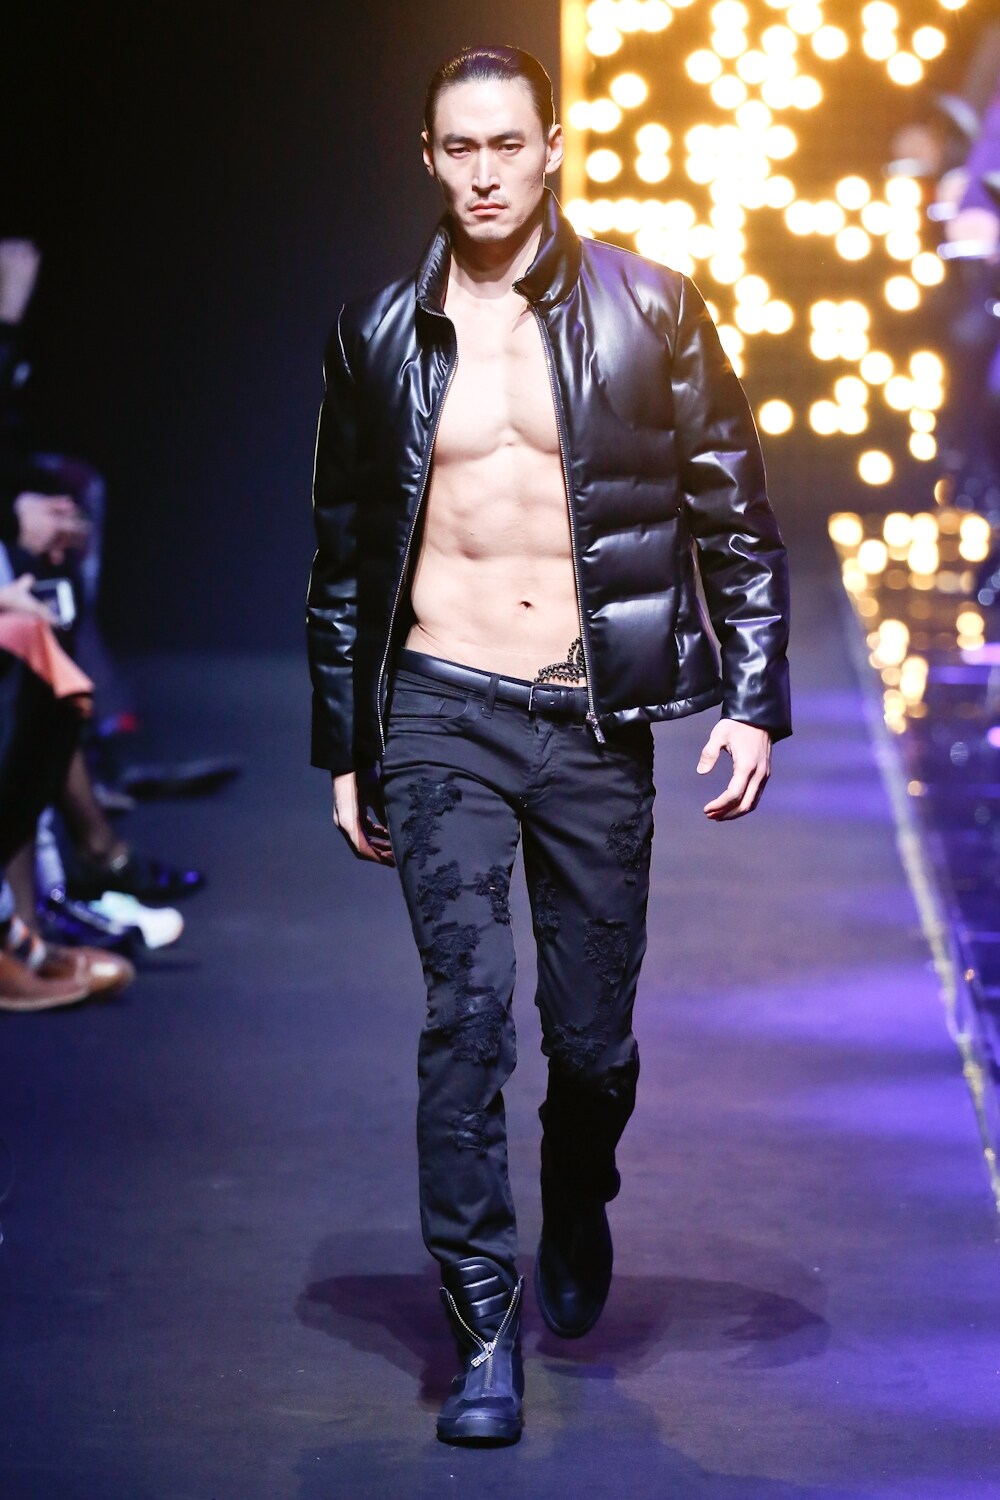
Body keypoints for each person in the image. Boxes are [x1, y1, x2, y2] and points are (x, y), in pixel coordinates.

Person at [306, 45, 791, 1446]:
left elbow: (736, 515)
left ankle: (578, 1186)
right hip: (440, 707)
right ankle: (481, 1326)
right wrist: (347, 741)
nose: (485, 173)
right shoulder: (376, 333)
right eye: (459, 148)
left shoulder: (653, 308)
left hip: (590, 719)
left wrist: (752, 696)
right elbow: (343, 553)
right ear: (428, 157)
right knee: (466, 1017)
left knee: (591, 1043)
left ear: (554, 145)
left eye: (506, 144)